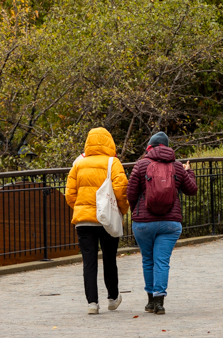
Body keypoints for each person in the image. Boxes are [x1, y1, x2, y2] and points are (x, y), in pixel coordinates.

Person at [127, 131, 198, 315]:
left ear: (150, 146)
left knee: (147, 260)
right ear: (167, 147)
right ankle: (160, 303)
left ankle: (150, 301)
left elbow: (131, 193)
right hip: (170, 223)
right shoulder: (176, 166)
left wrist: (137, 212)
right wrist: (188, 170)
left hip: (143, 223)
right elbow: (191, 190)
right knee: (162, 261)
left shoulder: (141, 165)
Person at [64, 127, 129, 315]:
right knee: (110, 259)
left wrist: (81, 208)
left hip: (84, 221)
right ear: (109, 142)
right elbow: (121, 190)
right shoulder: (113, 163)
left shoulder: (78, 164)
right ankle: (112, 298)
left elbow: (70, 194)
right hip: (107, 219)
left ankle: (92, 303)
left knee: (88, 262)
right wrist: (122, 211)